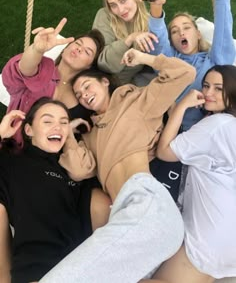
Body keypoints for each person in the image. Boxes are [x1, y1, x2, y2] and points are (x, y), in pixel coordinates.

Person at [36, 52, 196, 283]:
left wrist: (144, 57)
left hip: (148, 202)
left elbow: (184, 73)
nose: (84, 95)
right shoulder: (91, 137)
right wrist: (69, 133)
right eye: (79, 95)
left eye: (88, 86)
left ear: (105, 81)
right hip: (124, 215)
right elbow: (79, 170)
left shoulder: (137, 103)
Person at [0, 97, 111, 283]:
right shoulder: (13, 164)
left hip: (88, 270)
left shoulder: (73, 171)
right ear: (28, 130)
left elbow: (83, 173)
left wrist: (70, 138)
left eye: (64, 122)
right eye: (48, 121)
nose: (58, 127)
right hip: (40, 271)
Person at [153, 65, 236, 283]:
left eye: (219, 88)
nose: (208, 93)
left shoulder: (216, 125)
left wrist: (181, 107)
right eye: (206, 86)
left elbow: (164, 152)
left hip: (210, 237)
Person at [146, 0, 235, 131]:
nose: (181, 33)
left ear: (198, 33)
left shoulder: (216, 60)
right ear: (172, 42)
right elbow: (158, 41)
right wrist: (156, 4)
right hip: (189, 138)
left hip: (225, 128)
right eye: (174, 31)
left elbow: (223, 21)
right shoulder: (171, 62)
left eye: (187, 27)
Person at [2, 17, 105, 145]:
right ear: (65, 49)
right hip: (12, 145)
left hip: (47, 161)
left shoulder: (83, 93)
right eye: (78, 44)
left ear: (89, 66)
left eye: (87, 52)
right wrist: (37, 49)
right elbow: (23, 70)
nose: (79, 49)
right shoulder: (41, 69)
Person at [93, 0, 158, 85]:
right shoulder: (105, 15)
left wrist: (157, 6)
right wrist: (130, 39)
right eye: (113, 5)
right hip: (101, 83)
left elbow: (163, 56)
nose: (120, 10)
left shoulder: (149, 21)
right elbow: (104, 64)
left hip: (127, 87)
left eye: (123, 0)